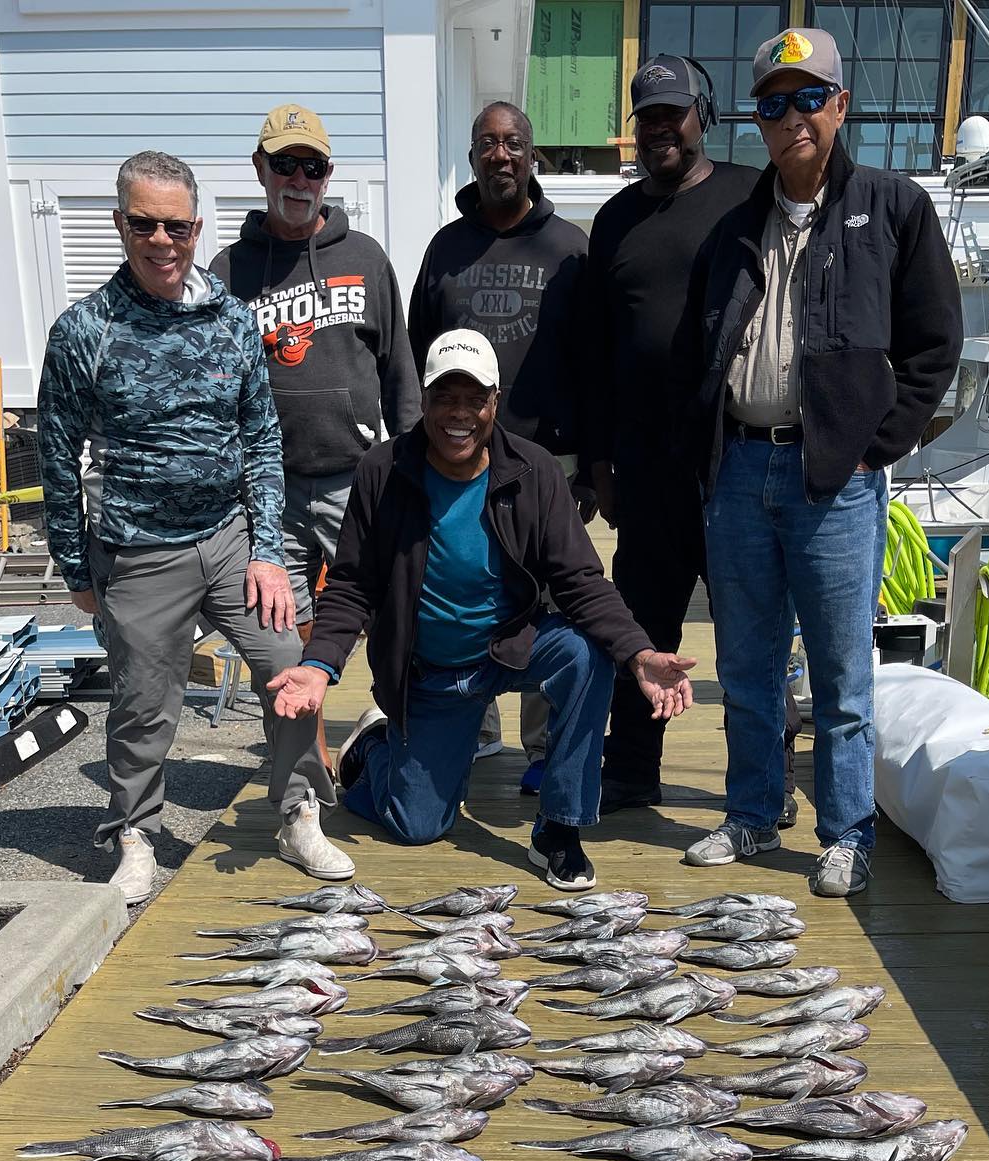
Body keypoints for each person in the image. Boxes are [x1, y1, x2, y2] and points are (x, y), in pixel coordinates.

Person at [265, 330, 696, 892]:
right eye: (445, 397)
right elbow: (351, 584)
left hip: (509, 646)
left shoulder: (534, 470)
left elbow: (581, 581)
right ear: (424, 399)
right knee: (417, 825)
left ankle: (560, 829)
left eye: (475, 399)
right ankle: (372, 750)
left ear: (496, 402)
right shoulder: (382, 469)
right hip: (432, 671)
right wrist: (320, 665)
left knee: (585, 654)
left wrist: (638, 654)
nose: (459, 414)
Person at [685, 28, 962, 895]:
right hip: (740, 471)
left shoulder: (893, 207)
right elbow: (697, 347)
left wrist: (876, 444)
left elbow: (936, 344)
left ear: (840, 106)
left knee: (843, 674)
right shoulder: (733, 227)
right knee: (746, 666)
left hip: (835, 479)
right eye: (774, 104)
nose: (792, 117)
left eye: (809, 98)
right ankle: (753, 812)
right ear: (757, 120)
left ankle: (846, 831)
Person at [37, 150, 345, 902]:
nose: (161, 241)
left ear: (197, 228)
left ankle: (297, 812)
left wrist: (267, 551)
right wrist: (77, 570)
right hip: (139, 551)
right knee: (144, 705)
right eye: (144, 224)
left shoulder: (233, 320)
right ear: (120, 225)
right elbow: (56, 455)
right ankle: (135, 834)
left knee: (287, 664)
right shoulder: (85, 331)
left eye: (176, 226)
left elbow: (262, 439)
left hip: (231, 539)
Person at [579, 54, 800, 818]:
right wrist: (598, 460)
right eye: (647, 117)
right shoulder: (614, 220)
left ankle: (767, 783)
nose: (660, 129)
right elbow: (596, 354)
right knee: (642, 628)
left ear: (702, 114)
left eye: (672, 114)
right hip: (645, 469)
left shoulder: (751, 193)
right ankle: (631, 771)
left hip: (735, 460)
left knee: (751, 635)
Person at [210, 103, 420, 769]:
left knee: (392, 612)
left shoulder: (365, 257)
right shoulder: (227, 271)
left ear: (328, 176)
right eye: (285, 164)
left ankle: (403, 739)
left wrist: (416, 466)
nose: (299, 179)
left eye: (313, 167)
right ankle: (313, 771)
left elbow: (400, 371)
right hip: (267, 491)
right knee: (287, 631)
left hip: (356, 477)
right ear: (260, 169)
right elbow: (214, 390)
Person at [408, 100, 589, 796]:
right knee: (465, 585)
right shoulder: (446, 248)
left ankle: (543, 743)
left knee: (548, 601)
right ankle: (473, 729)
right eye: (487, 143)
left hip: (549, 460)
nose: (501, 154)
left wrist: (591, 461)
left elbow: (595, 359)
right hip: (457, 458)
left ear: (532, 153)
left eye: (513, 142)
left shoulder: (569, 246)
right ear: (473, 157)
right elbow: (418, 353)